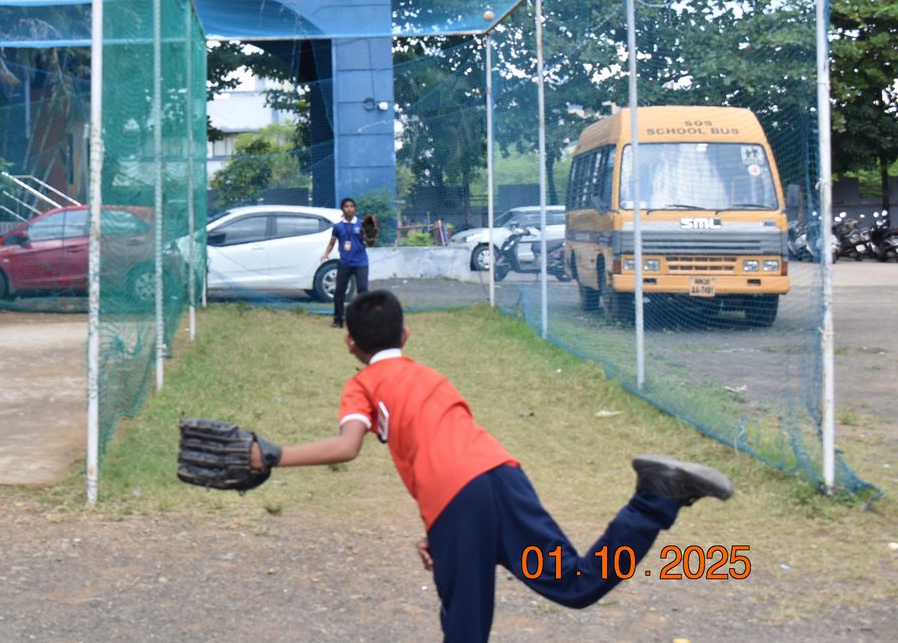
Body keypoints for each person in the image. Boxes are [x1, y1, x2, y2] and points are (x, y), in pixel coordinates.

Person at [250, 289, 734, 643]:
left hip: (458, 502)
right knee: (577, 582)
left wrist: (272, 456)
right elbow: (452, 449)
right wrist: (445, 529)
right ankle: (655, 497)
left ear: (348, 344)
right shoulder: (430, 376)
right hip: (501, 477)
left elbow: (347, 447)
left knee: (465, 629)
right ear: (406, 334)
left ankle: (656, 497)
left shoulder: (363, 385)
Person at [321, 197, 369, 328]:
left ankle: (363, 320)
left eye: (352, 206)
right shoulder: (337, 227)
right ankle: (338, 319)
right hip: (344, 263)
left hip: (361, 263)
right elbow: (332, 243)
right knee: (339, 292)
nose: (349, 208)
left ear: (355, 209)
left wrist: (370, 236)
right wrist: (326, 253)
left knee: (363, 291)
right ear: (343, 209)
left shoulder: (361, 224)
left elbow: (368, 241)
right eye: (346, 206)